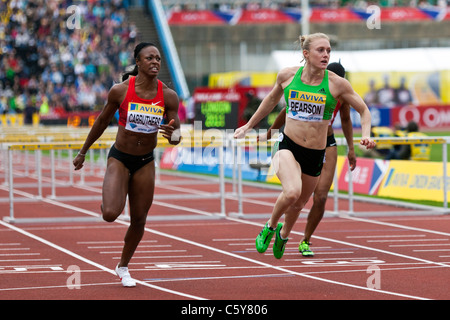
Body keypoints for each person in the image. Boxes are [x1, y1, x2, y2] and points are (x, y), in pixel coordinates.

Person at [234, 33, 375, 259]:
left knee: (299, 204)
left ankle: (284, 234)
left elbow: (364, 111)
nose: (326, 55)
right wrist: (249, 126)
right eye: (320, 50)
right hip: (288, 145)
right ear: (306, 54)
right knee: (292, 192)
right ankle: (270, 227)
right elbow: (271, 101)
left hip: (316, 152)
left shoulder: (337, 84)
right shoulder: (288, 76)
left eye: (328, 50)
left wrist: (365, 135)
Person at [73, 42, 181, 286]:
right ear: (138, 63)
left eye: (158, 59)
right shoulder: (120, 91)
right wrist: (83, 152)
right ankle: (110, 197)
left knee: (139, 219)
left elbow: (176, 137)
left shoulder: (169, 96)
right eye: (149, 58)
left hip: (145, 162)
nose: (155, 62)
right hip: (120, 157)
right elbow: (101, 122)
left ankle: (123, 266)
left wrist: (172, 134)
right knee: (110, 214)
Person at [258, 61, 356, 257]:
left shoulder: (342, 93)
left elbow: (346, 119)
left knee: (320, 197)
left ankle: (305, 240)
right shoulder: (312, 87)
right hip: (297, 141)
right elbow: (286, 112)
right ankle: (276, 229)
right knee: (295, 194)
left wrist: (351, 148)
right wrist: (269, 134)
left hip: (326, 143)